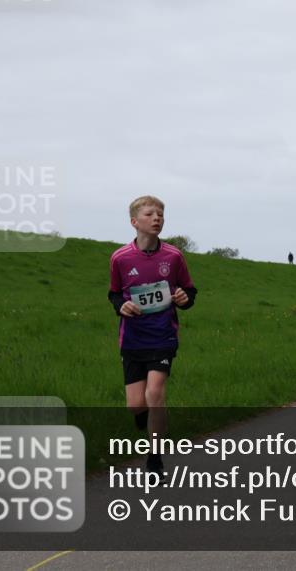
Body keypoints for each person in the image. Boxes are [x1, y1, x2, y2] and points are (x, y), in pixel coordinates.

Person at [108, 196, 198, 474]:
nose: (157, 218)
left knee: (155, 393)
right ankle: (143, 417)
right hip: (133, 338)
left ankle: (155, 460)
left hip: (163, 336)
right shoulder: (120, 258)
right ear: (135, 222)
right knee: (136, 405)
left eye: (160, 214)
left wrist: (184, 298)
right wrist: (120, 306)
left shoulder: (173, 256)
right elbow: (113, 293)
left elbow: (189, 291)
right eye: (150, 214)